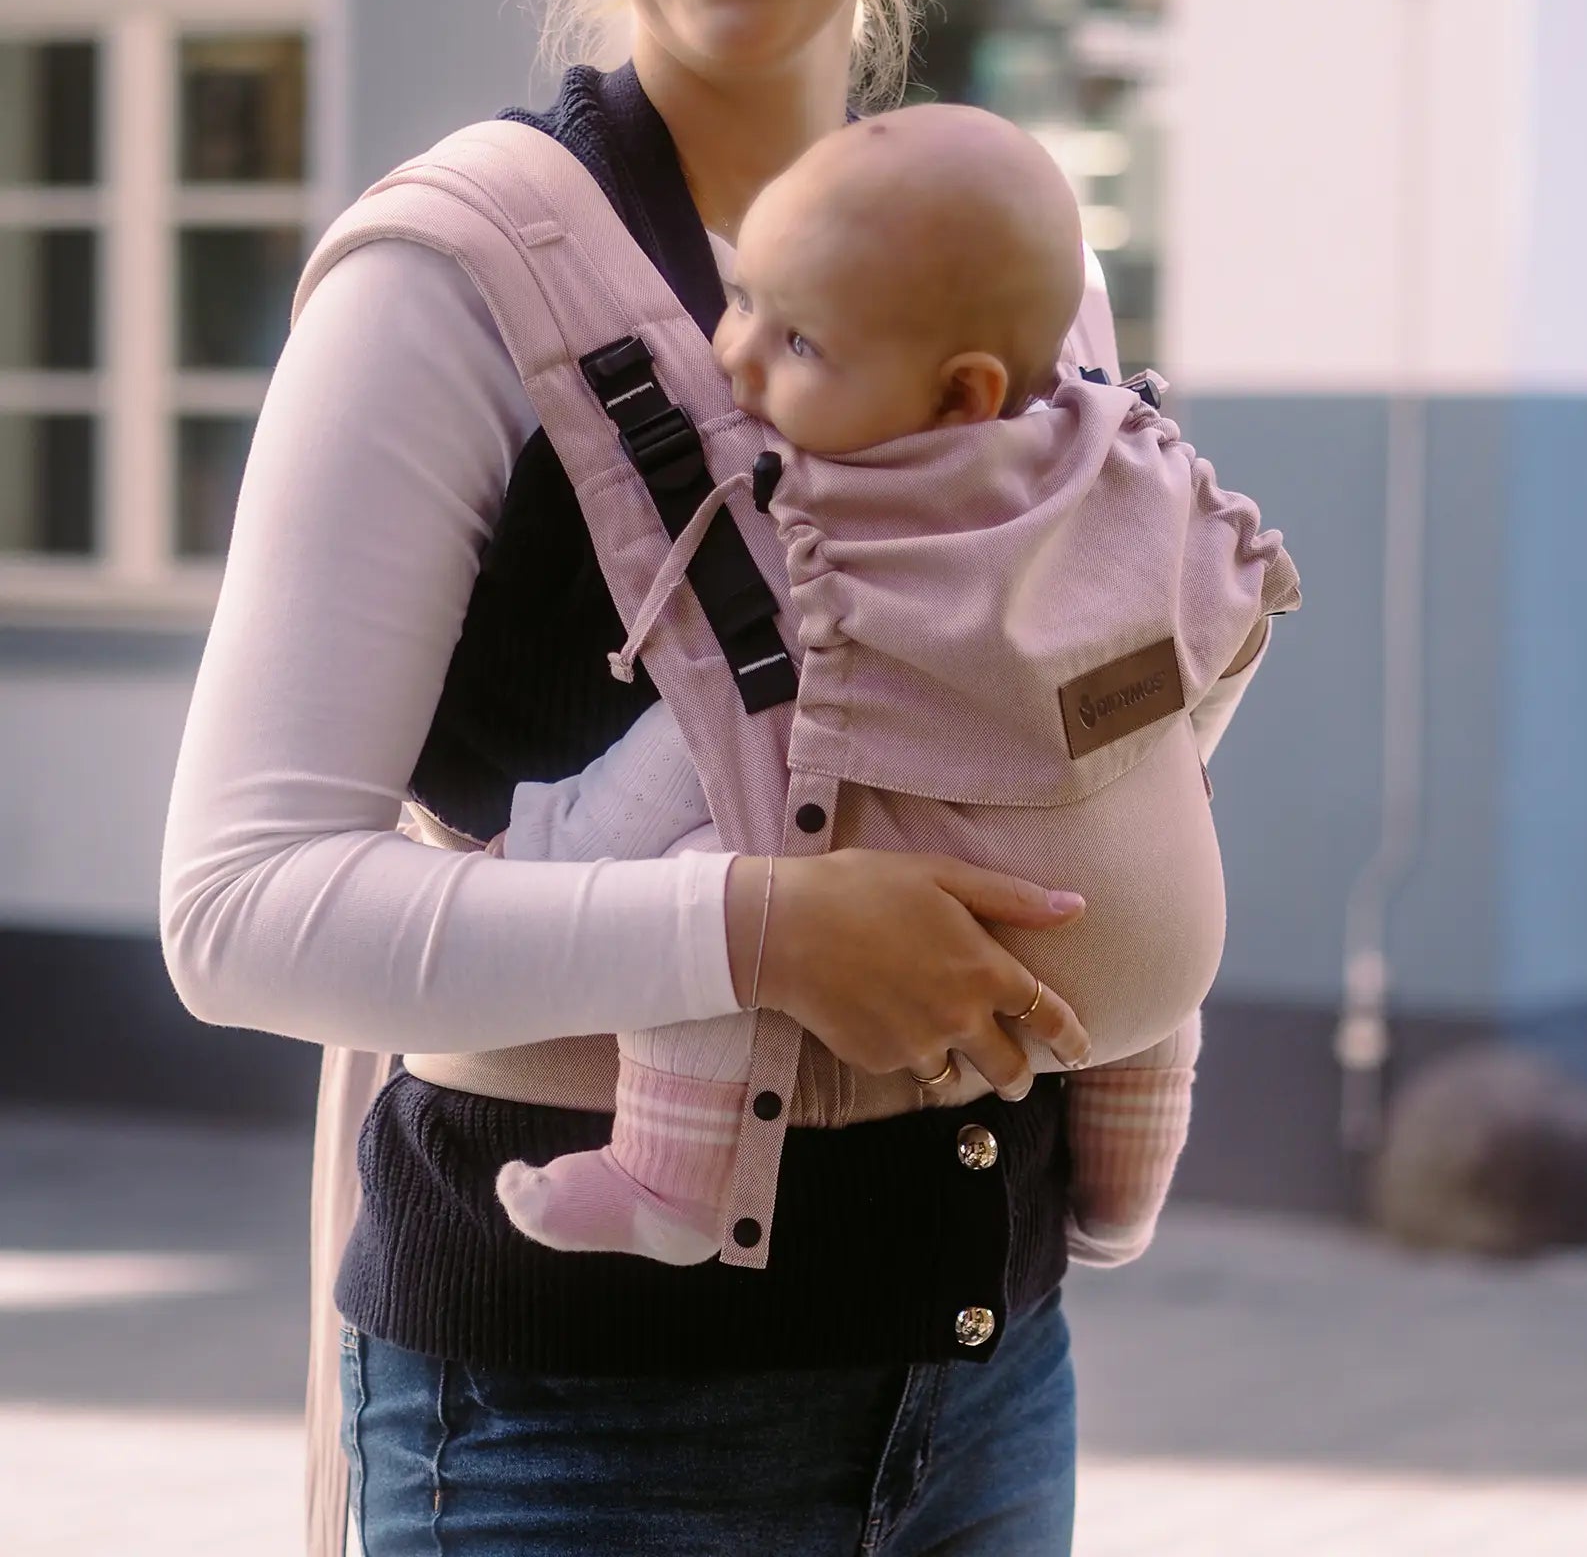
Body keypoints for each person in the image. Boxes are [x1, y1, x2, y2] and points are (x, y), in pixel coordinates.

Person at [160, 0, 1279, 1552]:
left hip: (981, 1373)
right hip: (574, 1433)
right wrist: (757, 929)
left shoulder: (1012, 266)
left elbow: (1077, 712)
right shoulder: (450, 282)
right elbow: (235, 912)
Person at [490, 102, 1297, 1269]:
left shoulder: (845, 530)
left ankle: (667, 1185)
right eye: (745, 295)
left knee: (697, 881)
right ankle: (1120, 1197)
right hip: (1158, 955)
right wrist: (1144, 787)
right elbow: (1217, 638)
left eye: (799, 344)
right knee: (1153, 979)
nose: (735, 354)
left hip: (983, 951)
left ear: (960, 392)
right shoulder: (1120, 466)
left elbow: (715, 734)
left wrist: (539, 856)